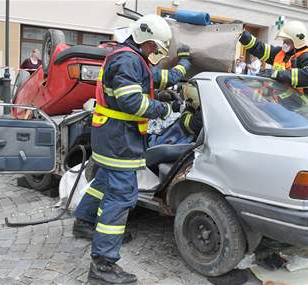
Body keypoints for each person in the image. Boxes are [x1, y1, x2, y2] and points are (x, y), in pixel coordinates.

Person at [72, 14, 191, 285]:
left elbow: (156, 78)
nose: (155, 52)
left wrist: (184, 66)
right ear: (144, 40)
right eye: (154, 47)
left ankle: (84, 221)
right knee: (121, 196)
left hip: (108, 134)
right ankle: (103, 265)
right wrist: (163, 107)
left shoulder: (126, 55)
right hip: (119, 139)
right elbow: (132, 103)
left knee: (103, 181)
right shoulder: (128, 59)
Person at [239, 21, 308, 107]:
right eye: (283, 41)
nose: (284, 44)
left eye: (287, 41)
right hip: (291, 104)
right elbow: (260, 48)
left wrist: (276, 74)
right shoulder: (281, 53)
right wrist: (243, 35)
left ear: (297, 41)